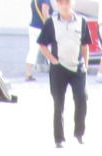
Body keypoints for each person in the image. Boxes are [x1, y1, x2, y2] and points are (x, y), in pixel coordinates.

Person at [38, 0, 92, 146]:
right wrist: (52, 60)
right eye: (61, 2)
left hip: (77, 67)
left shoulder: (81, 21)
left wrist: (85, 65)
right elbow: (42, 45)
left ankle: (80, 133)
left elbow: (85, 45)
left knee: (81, 98)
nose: (64, 5)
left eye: (67, 2)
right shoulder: (51, 22)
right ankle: (59, 139)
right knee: (58, 103)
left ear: (72, 4)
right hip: (59, 68)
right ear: (57, 5)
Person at [25, 0, 52, 81]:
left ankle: (28, 74)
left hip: (33, 27)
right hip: (42, 28)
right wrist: (50, 26)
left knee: (32, 51)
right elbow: (45, 13)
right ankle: (57, 72)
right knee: (51, 49)